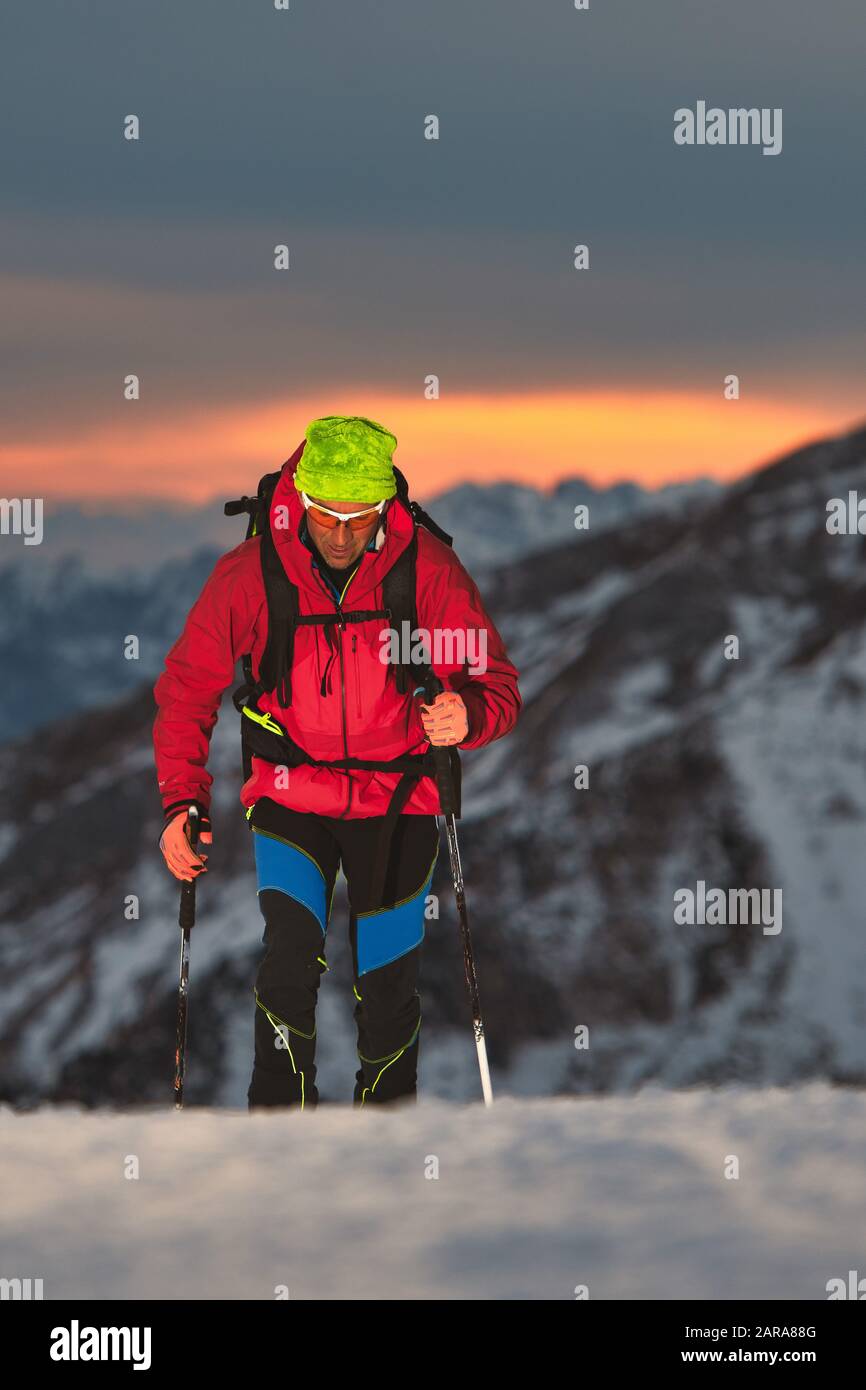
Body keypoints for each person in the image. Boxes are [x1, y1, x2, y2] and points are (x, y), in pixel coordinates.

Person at [153, 414, 521, 1109]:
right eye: (328, 517)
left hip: (402, 797)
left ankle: (385, 1144)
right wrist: (182, 803)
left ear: (386, 505)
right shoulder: (251, 575)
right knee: (288, 964)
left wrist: (467, 715)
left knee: (388, 985)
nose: (345, 535)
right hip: (292, 793)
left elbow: (496, 686)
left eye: (363, 517)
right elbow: (186, 693)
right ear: (301, 503)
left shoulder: (428, 571)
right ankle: (278, 1136)